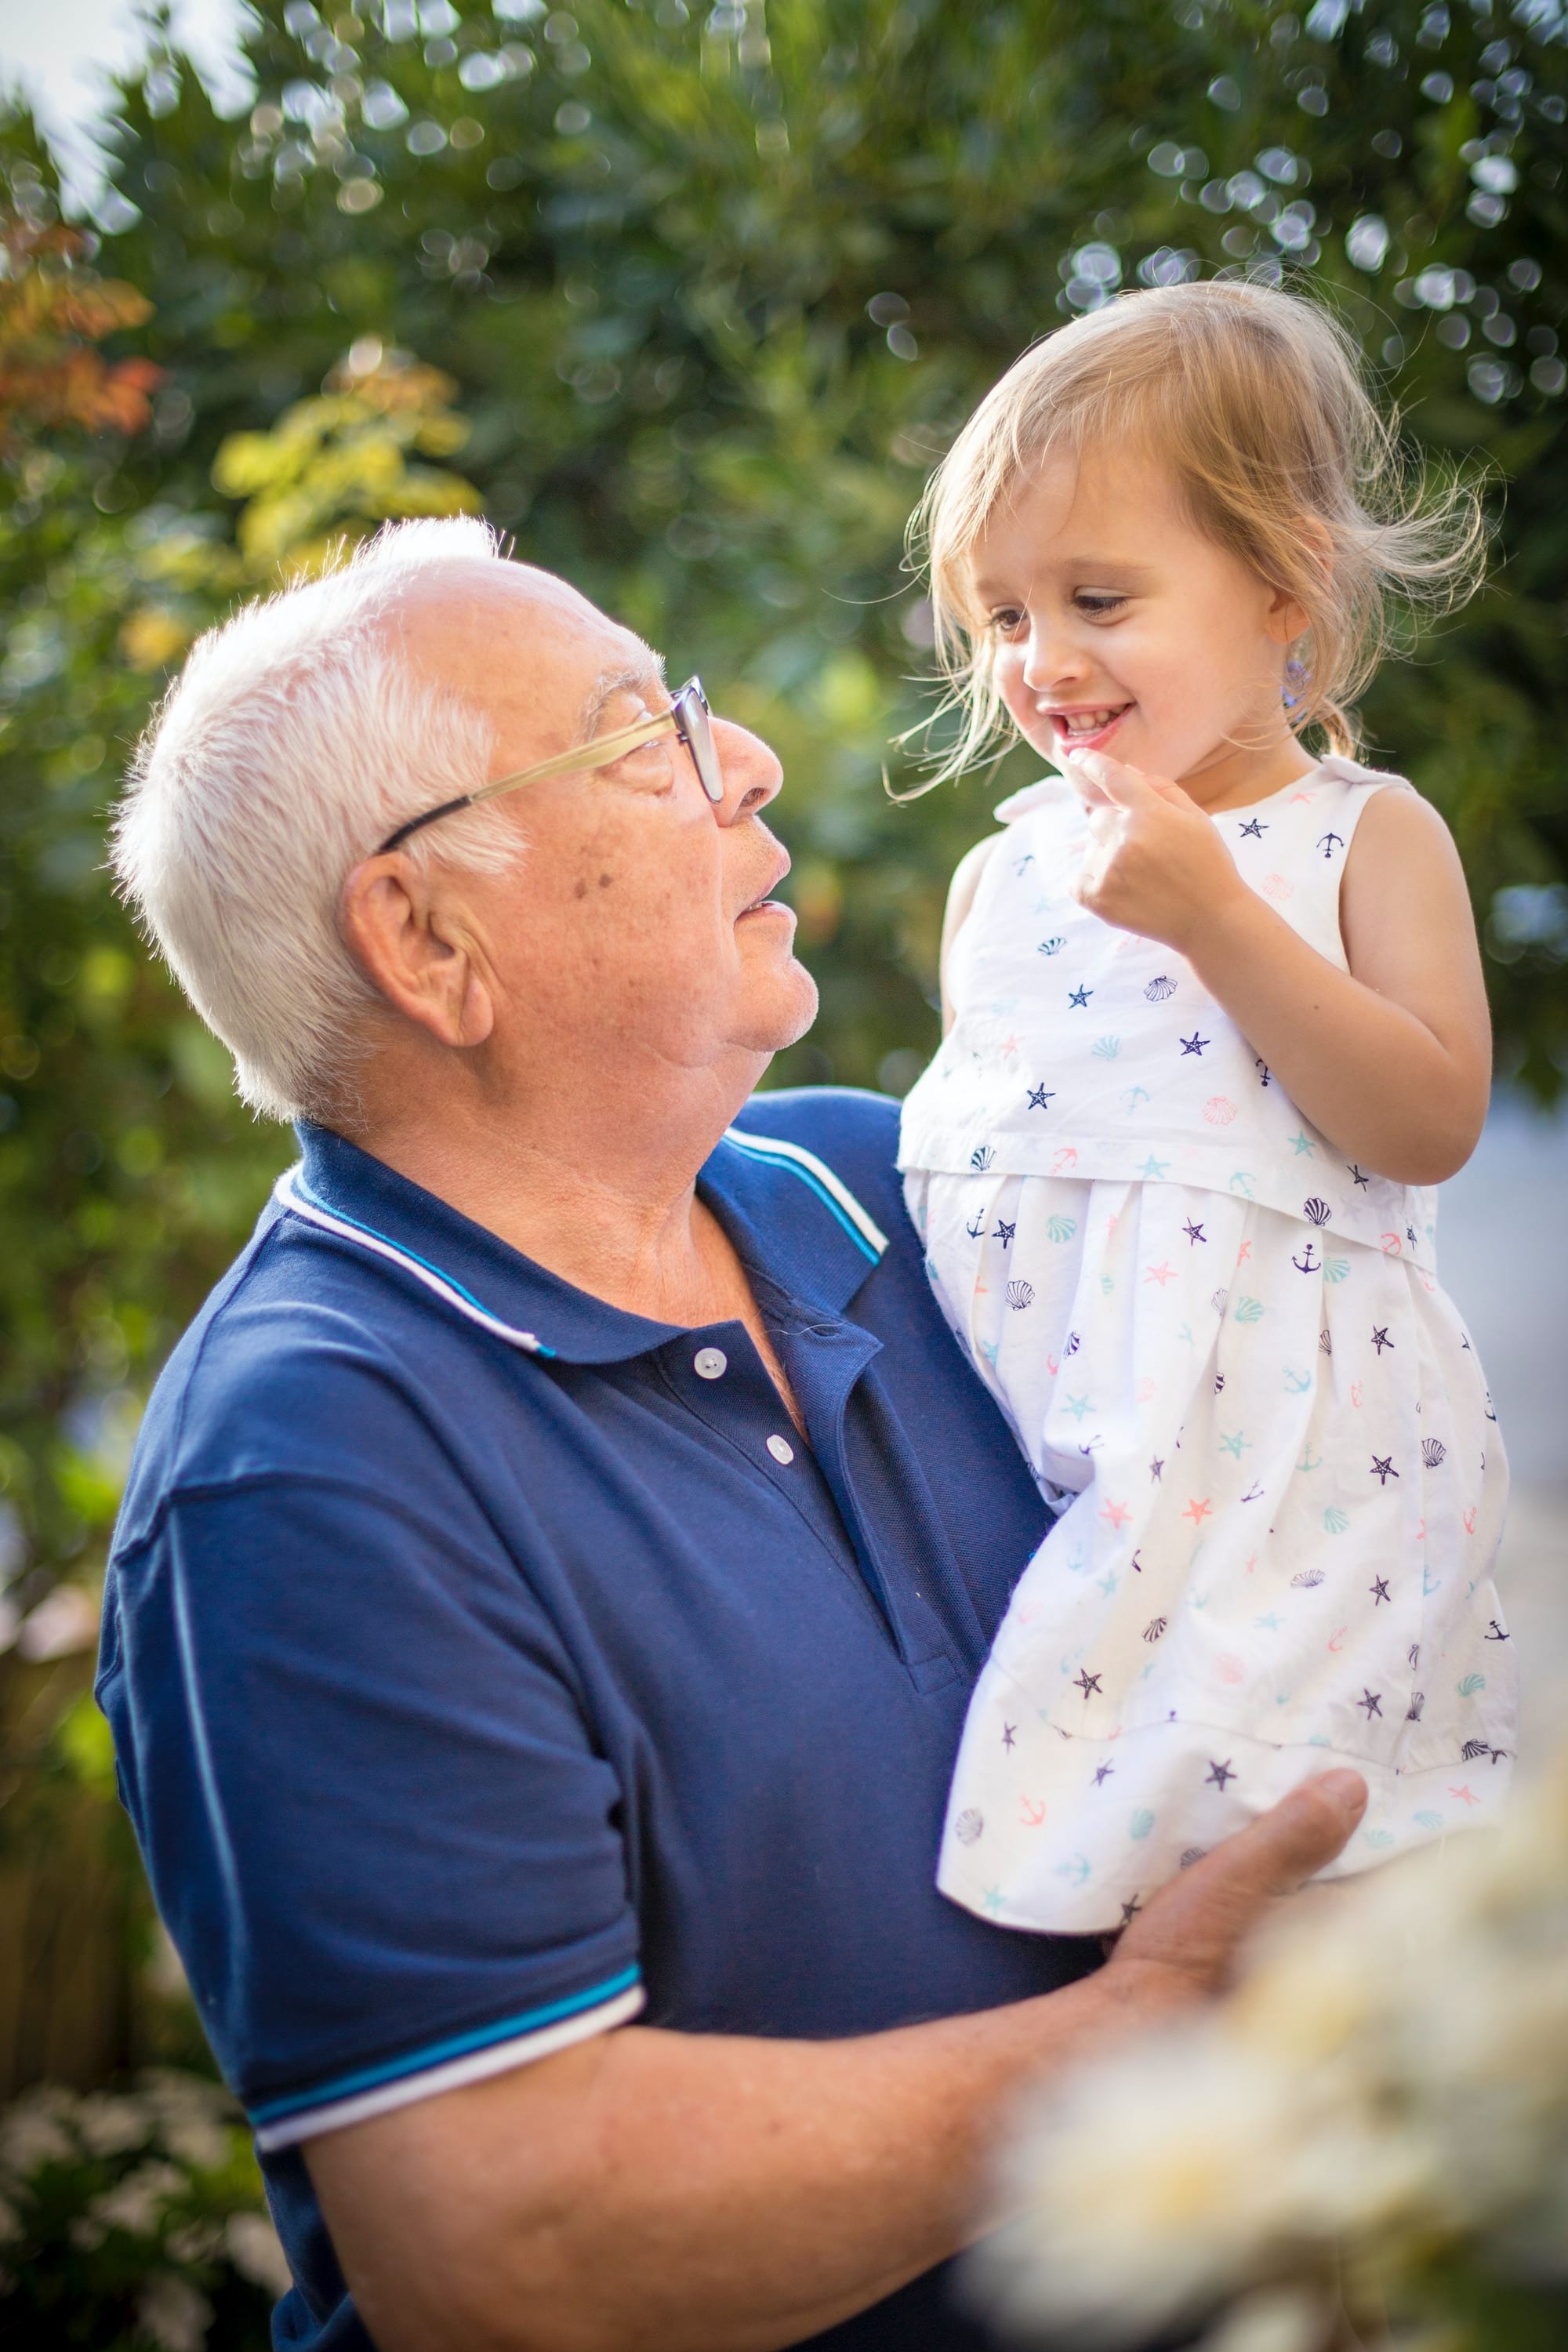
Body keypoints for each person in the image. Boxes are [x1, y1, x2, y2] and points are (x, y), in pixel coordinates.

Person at [102, 516, 1368, 2352]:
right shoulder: (306, 1464)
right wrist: (1136, 2038)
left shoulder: (902, 1184)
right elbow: (504, 2245)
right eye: (645, 733)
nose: (750, 758)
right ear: (429, 938)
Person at [898, 280, 1516, 1940]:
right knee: (1080, 1905)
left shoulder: (1357, 837)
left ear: (1278, 586)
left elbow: (1426, 1119)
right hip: (1055, 1474)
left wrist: (1218, 923)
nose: (1043, 661)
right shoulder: (1000, 876)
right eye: (1001, 615)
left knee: (1291, 1884)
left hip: (1287, 1488)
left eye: (1098, 595)